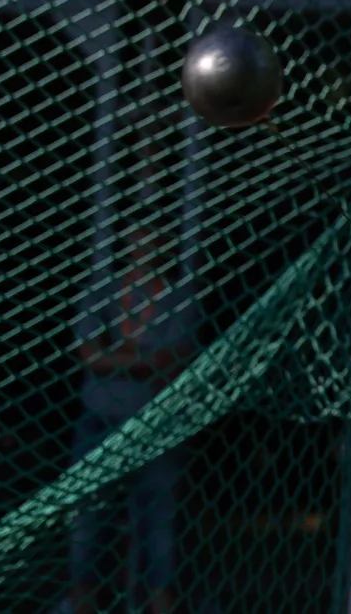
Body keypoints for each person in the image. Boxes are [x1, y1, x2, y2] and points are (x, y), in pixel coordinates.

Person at [70, 223, 201, 614]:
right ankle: (82, 601)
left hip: (158, 427)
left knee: (159, 522)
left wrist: (119, 355)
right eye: (137, 237)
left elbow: (173, 362)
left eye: (155, 237)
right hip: (100, 420)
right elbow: (88, 354)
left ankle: (160, 603)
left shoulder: (180, 297)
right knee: (87, 520)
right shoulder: (103, 291)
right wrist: (141, 359)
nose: (146, 245)